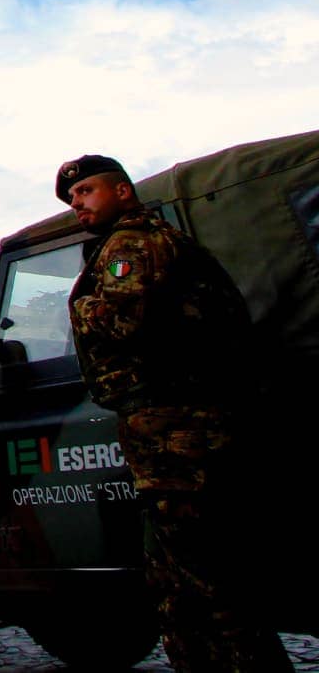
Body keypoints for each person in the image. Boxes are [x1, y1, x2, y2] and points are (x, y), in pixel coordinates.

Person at [58, 154, 291, 672]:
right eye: (73, 199)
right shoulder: (138, 242)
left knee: (208, 582)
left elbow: (123, 323)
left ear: (122, 191)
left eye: (87, 191)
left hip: (180, 432)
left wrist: (75, 307)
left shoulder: (133, 243)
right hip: (168, 430)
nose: (78, 204)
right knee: (177, 584)